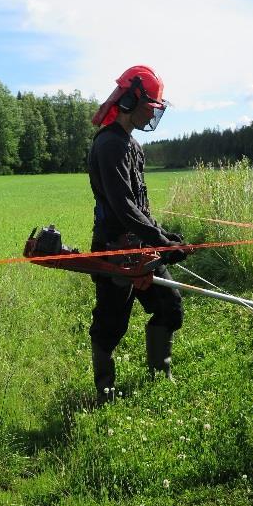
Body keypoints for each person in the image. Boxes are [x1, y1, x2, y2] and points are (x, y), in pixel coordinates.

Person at [87, 65, 186, 401]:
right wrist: (163, 241)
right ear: (129, 99)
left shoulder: (132, 146)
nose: (150, 114)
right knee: (111, 323)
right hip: (114, 249)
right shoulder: (109, 145)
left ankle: (160, 373)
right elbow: (122, 207)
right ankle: (106, 390)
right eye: (149, 106)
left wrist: (164, 237)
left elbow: (140, 207)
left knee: (169, 304)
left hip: (142, 245)